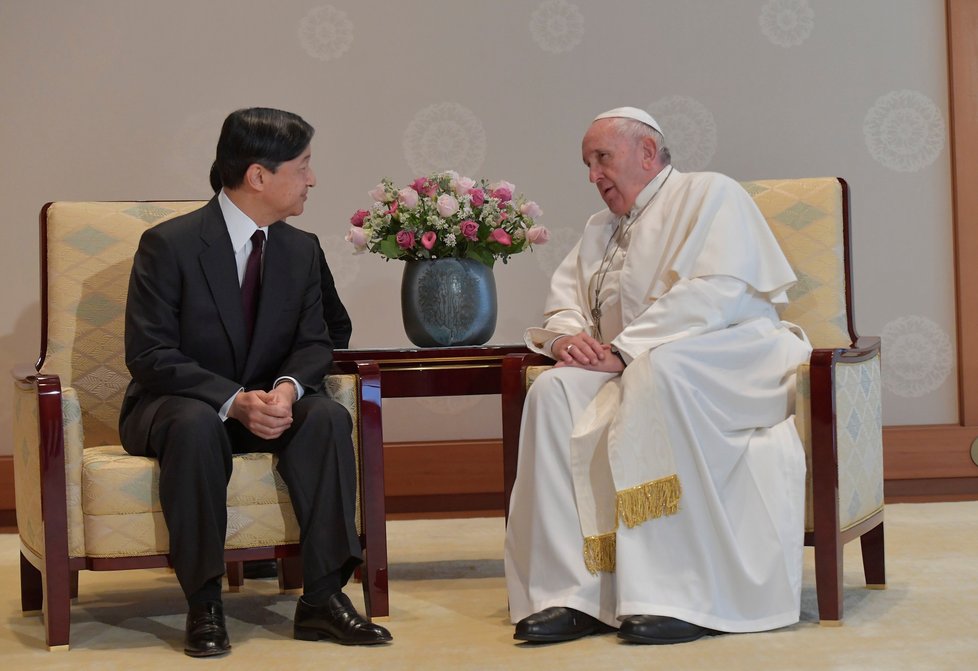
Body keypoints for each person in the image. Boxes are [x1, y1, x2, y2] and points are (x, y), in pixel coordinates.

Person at [504, 107, 812, 646]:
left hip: (731, 358)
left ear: (647, 153)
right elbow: (566, 304)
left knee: (662, 370)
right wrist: (566, 341)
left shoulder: (709, 193)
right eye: (587, 164)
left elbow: (718, 292)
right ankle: (573, 594)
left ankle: (676, 593)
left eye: (603, 159)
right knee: (554, 390)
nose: (593, 175)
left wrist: (625, 351)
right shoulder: (601, 229)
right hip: (634, 363)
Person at [120, 107, 391, 657]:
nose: (312, 179)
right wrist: (232, 400)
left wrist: (288, 389)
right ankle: (204, 602)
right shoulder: (169, 245)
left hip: (270, 402)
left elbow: (318, 339)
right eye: (304, 165)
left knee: (326, 417)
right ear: (258, 176)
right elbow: (149, 355)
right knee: (196, 425)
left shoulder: (299, 248)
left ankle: (322, 598)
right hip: (181, 406)